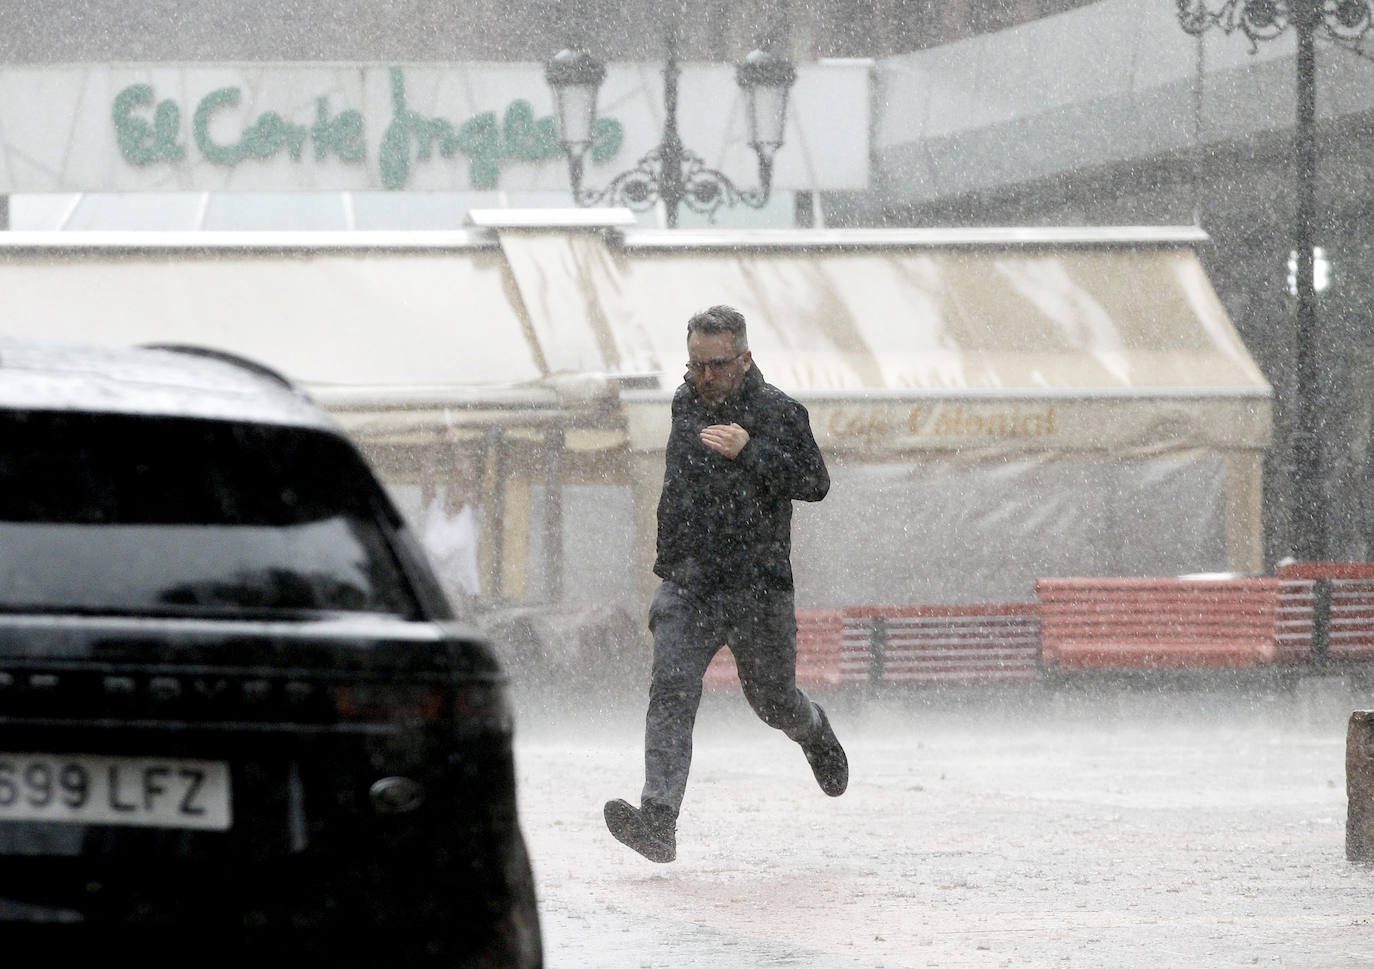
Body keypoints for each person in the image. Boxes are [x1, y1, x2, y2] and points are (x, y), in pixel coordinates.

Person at [604, 304, 847, 863]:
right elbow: (680, 483)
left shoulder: (780, 411)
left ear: (745, 359)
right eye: (694, 364)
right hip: (690, 584)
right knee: (670, 693)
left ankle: (812, 730)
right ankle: (658, 822)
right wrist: (670, 565)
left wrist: (751, 452)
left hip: (758, 585)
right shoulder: (683, 400)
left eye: (714, 366)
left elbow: (815, 483)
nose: (702, 378)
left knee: (771, 701)